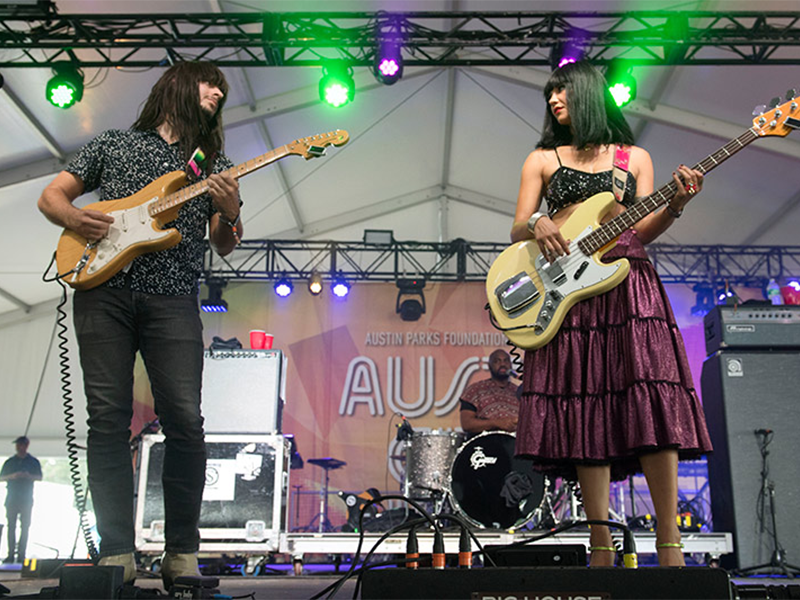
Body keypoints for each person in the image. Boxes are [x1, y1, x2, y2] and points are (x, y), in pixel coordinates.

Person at [37, 61, 242, 587]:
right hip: (103, 291)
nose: (218, 91)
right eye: (209, 81)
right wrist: (74, 218)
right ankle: (116, 552)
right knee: (107, 419)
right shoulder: (112, 143)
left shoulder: (212, 163)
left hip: (173, 298)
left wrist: (231, 208)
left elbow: (223, 242)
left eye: (222, 88)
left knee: (185, 420)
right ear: (177, 85)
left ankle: (182, 553)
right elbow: (51, 195)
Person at [510, 61, 712, 567]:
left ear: (588, 94)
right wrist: (537, 222)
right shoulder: (541, 159)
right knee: (584, 406)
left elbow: (640, 230)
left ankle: (670, 543)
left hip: (629, 286)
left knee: (651, 396)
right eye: (550, 94)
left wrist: (678, 203)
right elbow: (516, 226)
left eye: (562, 91)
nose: (554, 100)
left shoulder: (634, 157)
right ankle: (601, 543)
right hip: (569, 297)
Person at [0, 436, 42, 564]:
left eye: (21, 445)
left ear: (26, 445)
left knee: (25, 527)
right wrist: (12, 476)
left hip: (26, 498)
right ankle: (10, 554)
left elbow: (39, 477)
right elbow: (1, 477)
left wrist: (28, 476)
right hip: (12, 497)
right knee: (11, 526)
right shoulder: (10, 462)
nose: (19, 447)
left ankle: (21, 555)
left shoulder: (33, 461)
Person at [460, 349, 519, 434]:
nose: (502, 364)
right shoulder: (475, 390)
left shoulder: (519, 392)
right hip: (486, 443)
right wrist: (497, 423)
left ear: (511, 365)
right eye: (497, 361)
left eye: (506, 361)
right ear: (489, 366)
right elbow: (467, 424)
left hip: (516, 443)